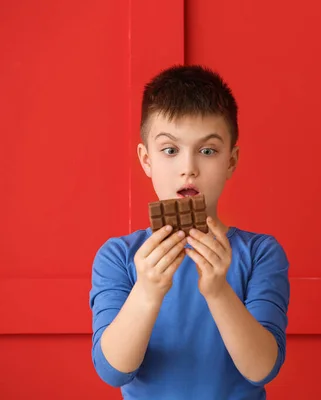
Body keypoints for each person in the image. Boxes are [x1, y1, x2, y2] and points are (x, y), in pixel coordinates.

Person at [89, 65, 291, 399]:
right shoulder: (120, 257)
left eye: (208, 151)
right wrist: (148, 291)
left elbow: (262, 369)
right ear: (146, 159)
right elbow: (112, 371)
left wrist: (218, 291)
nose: (189, 168)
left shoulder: (261, 254)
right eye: (170, 150)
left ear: (231, 160)